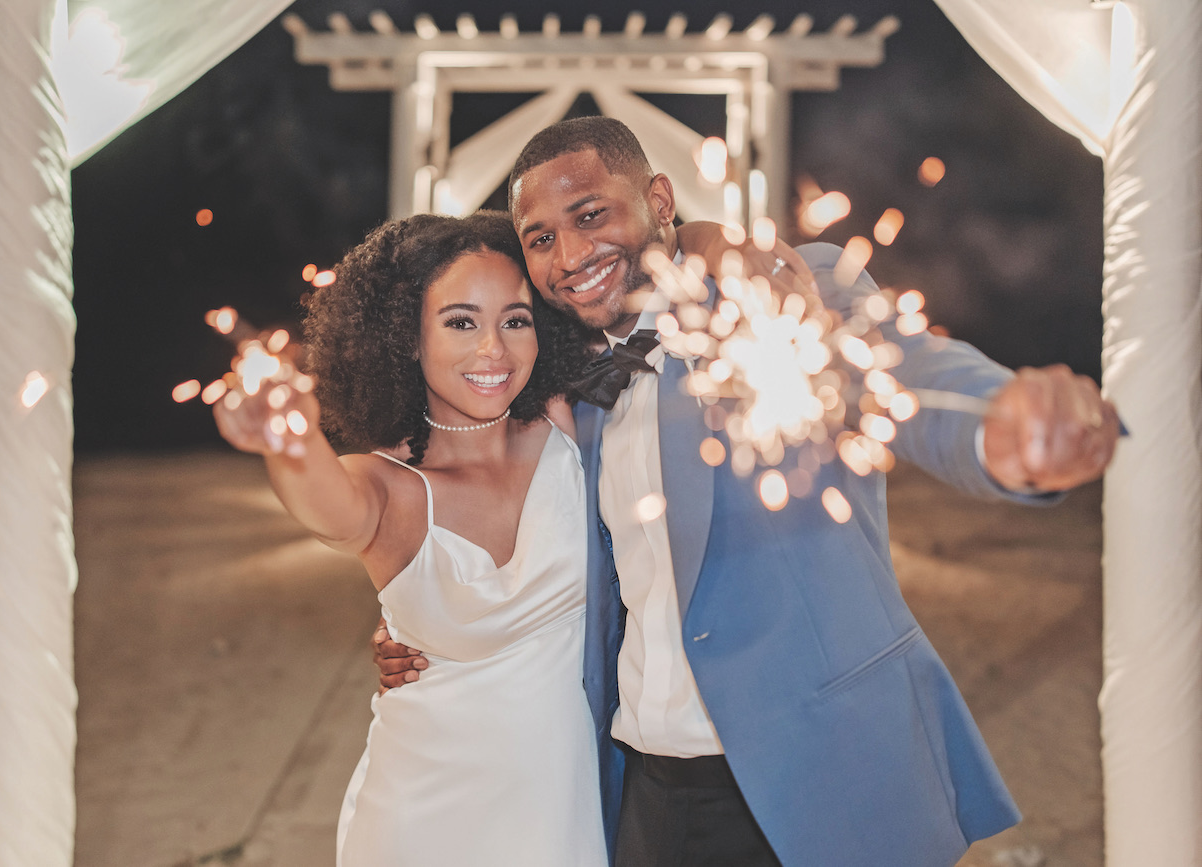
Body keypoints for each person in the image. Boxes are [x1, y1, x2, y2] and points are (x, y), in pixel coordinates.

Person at [376, 117, 1120, 867]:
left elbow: (903, 369)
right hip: (644, 788)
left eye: (591, 214)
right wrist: (445, 622)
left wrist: (999, 430)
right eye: (539, 238)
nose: (570, 255)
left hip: (818, 773)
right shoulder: (571, 388)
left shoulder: (780, 290)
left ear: (659, 200)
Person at [214, 208, 797, 866]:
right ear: (407, 336)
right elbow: (329, 504)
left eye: (514, 320)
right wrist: (287, 439)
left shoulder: (568, 423)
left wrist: (715, 237)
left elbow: (658, 254)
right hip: (424, 822)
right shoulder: (391, 487)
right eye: (461, 321)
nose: (493, 350)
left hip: (570, 816)